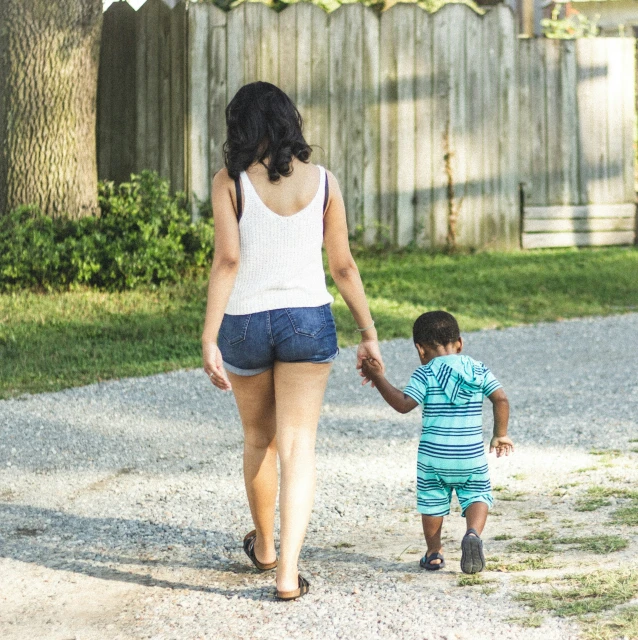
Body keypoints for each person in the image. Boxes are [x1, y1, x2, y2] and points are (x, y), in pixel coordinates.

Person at [202, 82, 384, 600]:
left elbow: (228, 261)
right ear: (289, 122)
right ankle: (287, 573)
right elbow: (343, 266)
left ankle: (263, 547)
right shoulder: (323, 182)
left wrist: (210, 335)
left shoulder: (230, 181)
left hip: (244, 321)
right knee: (299, 446)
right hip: (307, 319)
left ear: (240, 127)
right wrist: (368, 333)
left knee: (260, 439)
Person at [360, 310, 512, 574]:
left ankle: (433, 553)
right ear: (460, 343)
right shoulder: (478, 369)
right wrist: (500, 433)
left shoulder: (425, 373)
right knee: (477, 495)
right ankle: (473, 534)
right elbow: (500, 399)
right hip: (470, 455)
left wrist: (377, 377)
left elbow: (403, 404)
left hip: (434, 458)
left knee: (432, 502)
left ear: (421, 350)